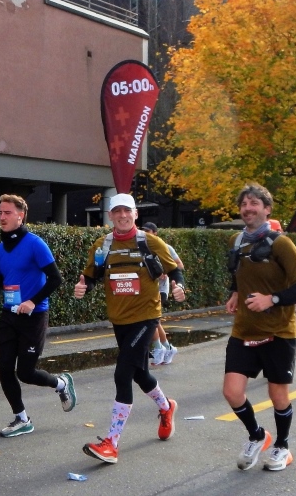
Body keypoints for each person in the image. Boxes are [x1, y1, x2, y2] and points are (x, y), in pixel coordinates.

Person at [74, 193, 186, 464]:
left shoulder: (150, 241)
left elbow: (175, 269)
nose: (122, 216)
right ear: (110, 216)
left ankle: (111, 443)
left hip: (146, 317)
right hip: (119, 319)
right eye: (117, 211)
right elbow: (92, 275)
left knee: (122, 373)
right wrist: (83, 287)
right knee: (140, 374)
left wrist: (178, 286)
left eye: (127, 211)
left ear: (135, 214)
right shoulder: (103, 245)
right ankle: (166, 407)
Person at [223, 183, 296, 471]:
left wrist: (271, 299)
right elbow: (238, 274)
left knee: (278, 395)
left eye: (254, 203)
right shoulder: (236, 241)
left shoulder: (281, 244)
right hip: (244, 330)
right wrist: (235, 293)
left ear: (267, 209)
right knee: (232, 392)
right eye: (244, 204)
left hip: (278, 331)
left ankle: (282, 447)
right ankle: (257, 435)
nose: (247, 208)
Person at [0, 194, 76, 438]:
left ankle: (61, 383)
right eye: (0, 213)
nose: (2, 217)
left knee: (25, 373)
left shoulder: (35, 244)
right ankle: (22, 419)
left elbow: (56, 279)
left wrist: (32, 301)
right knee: (5, 369)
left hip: (34, 316)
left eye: (7, 213)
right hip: (9, 316)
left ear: (21, 216)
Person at [141, 222, 181, 366]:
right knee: (154, 321)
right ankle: (167, 348)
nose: (145, 233)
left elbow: (179, 265)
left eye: (148, 231)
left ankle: (159, 348)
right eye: (143, 231)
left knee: (151, 319)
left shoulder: (165, 247)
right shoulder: (141, 247)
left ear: (155, 233)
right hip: (146, 290)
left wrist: (165, 271)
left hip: (161, 289)